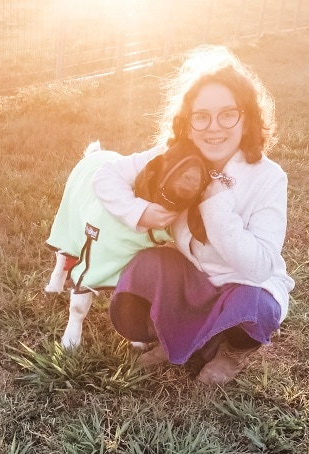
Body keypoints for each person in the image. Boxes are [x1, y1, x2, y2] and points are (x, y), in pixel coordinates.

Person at [91, 44, 295, 385]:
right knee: (147, 264)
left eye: (228, 114)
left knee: (258, 305)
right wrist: (139, 212)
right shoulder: (173, 157)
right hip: (192, 277)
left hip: (243, 283)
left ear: (247, 119)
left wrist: (215, 204)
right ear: (187, 123)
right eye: (201, 116)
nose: (214, 127)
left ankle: (232, 349)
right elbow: (105, 175)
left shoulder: (268, 176)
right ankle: (171, 336)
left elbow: (259, 266)